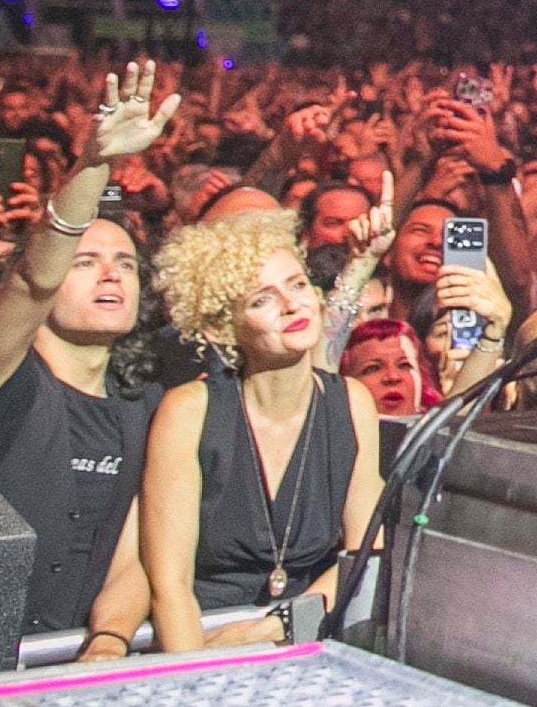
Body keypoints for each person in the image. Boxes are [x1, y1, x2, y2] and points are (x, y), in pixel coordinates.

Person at [0, 61, 174, 656]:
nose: (111, 275)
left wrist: (108, 643)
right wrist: (94, 164)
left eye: (126, 265)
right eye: (85, 262)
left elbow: (139, 553)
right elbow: (30, 284)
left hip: (75, 665)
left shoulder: (146, 406)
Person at [139, 213, 383, 649]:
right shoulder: (190, 411)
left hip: (306, 639)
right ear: (222, 327)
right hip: (202, 639)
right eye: (261, 300)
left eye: (298, 285)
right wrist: (195, 673)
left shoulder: (350, 403)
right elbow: (169, 587)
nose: (291, 305)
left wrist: (277, 627)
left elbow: (368, 552)